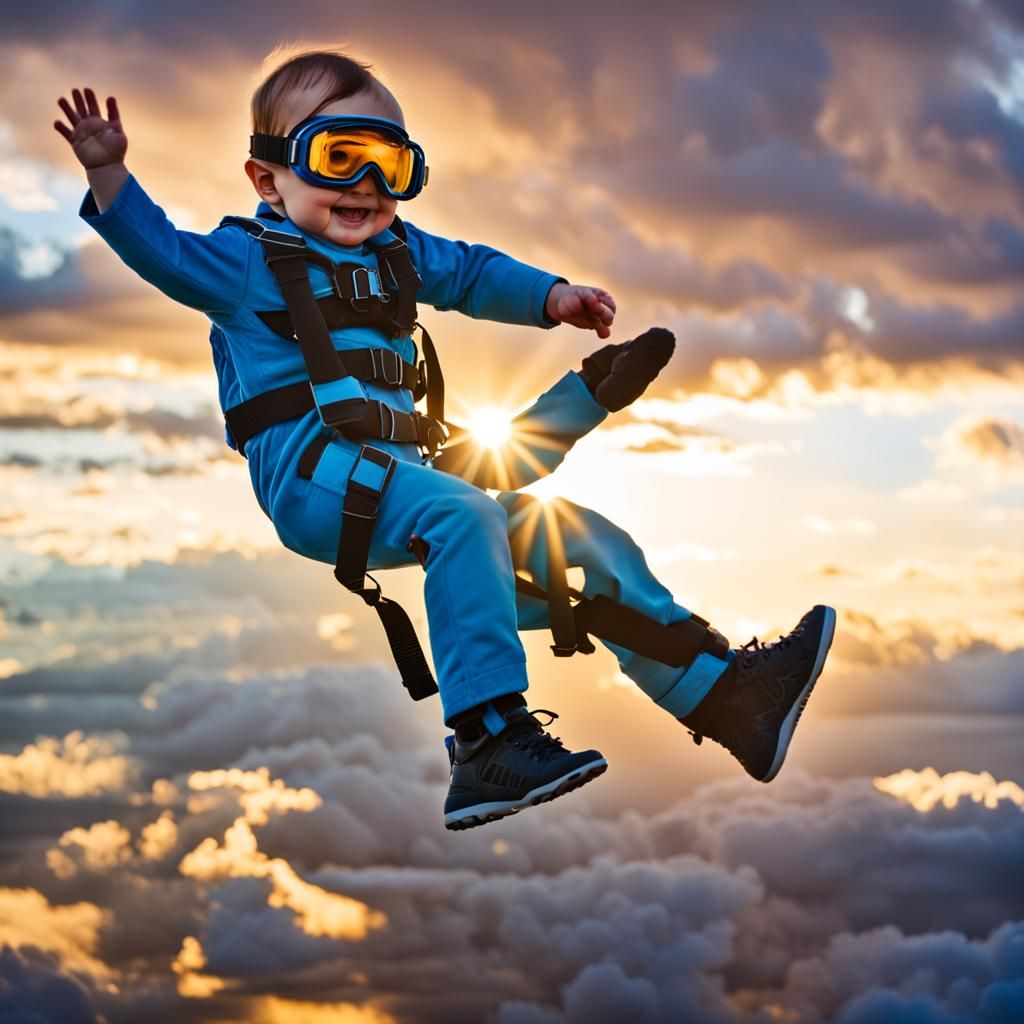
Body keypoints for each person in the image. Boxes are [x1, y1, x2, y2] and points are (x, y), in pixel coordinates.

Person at [54, 50, 836, 832]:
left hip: (401, 474)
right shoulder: (246, 264)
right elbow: (163, 251)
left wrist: (552, 297)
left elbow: (469, 272)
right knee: (465, 513)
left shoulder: (399, 253)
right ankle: (486, 743)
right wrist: (109, 175)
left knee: (567, 536)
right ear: (268, 179)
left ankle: (725, 697)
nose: (367, 184)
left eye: (390, 164)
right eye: (338, 155)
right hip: (314, 481)